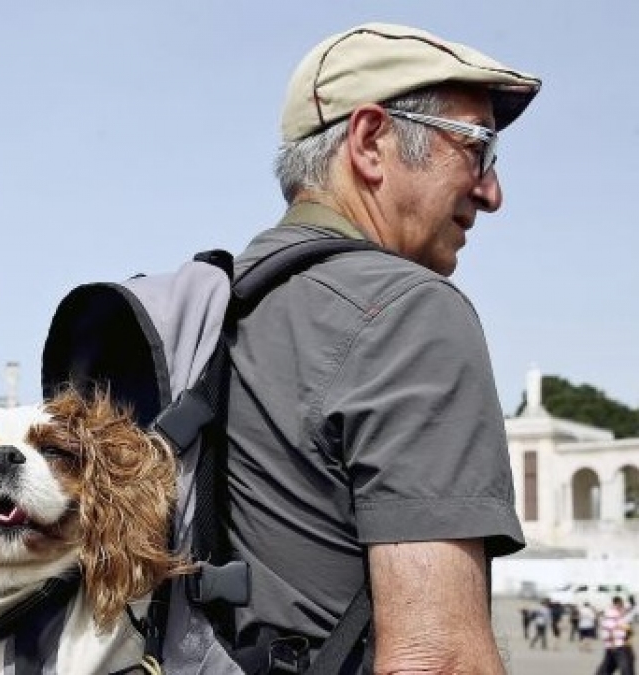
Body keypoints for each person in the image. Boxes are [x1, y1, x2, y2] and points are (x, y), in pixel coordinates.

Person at [224, 23, 541, 672]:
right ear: (371, 142)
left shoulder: (213, 307)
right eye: (478, 149)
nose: (491, 192)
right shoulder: (408, 313)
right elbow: (438, 657)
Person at [595, 596, 635, 675]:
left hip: (619, 645)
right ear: (617, 604)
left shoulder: (617, 614)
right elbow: (610, 630)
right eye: (621, 605)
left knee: (608, 667)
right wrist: (613, 644)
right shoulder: (612, 614)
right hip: (617, 646)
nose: (623, 608)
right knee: (625, 666)